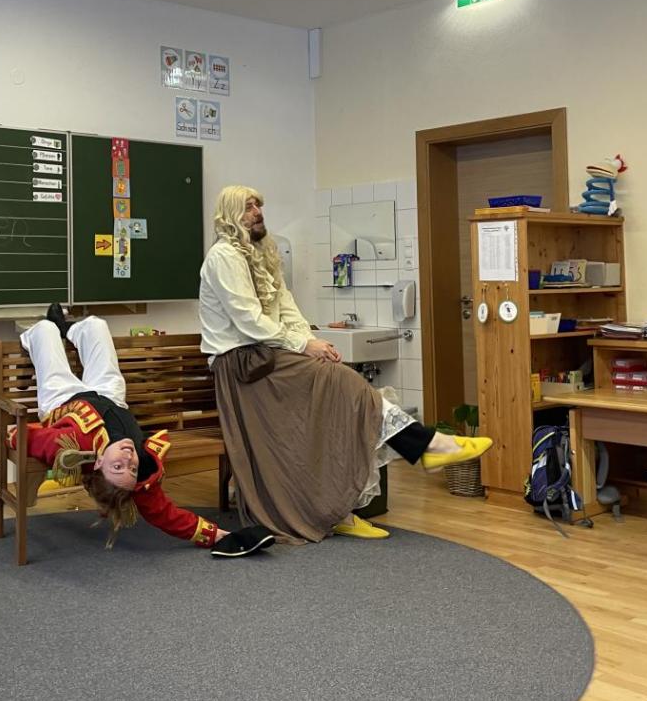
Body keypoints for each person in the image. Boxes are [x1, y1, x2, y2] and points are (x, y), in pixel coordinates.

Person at [198, 185, 492, 544]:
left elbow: (286, 308)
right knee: (343, 385)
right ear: (231, 214)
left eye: (259, 205)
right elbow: (248, 320)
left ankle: (345, 508)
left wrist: (312, 341)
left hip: (267, 358)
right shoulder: (224, 256)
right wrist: (304, 345)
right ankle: (427, 447)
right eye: (248, 207)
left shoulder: (262, 253)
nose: (258, 212)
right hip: (242, 368)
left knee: (337, 403)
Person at [11, 304, 275, 558]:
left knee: (45, 330)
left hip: (63, 399)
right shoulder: (144, 468)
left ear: (98, 462)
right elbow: (167, 515)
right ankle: (72, 329)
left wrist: (12, 436)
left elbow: (26, 438)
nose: (129, 459)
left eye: (118, 467)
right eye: (132, 468)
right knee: (96, 326)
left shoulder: (75, 444)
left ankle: (48, 330)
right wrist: (219, 536)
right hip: (110, 398)